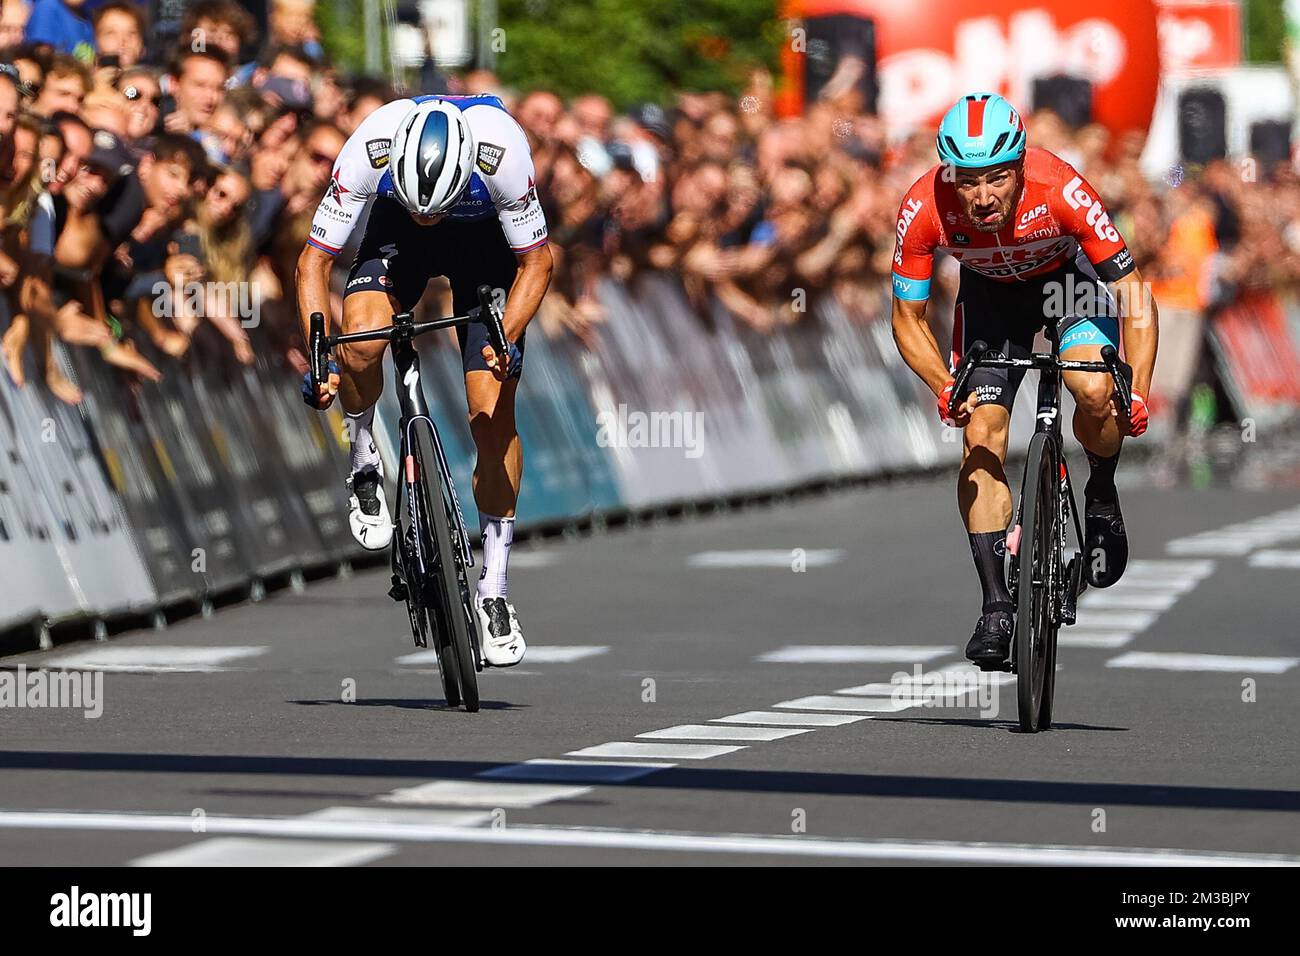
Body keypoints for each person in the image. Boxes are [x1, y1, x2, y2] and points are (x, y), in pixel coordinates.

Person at [889, 93, 1158, 668]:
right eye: (967, 182)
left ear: (1019, 167)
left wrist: (1135, 388)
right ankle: (995, 606)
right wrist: (944, 383)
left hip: (1068, 285)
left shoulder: (1060, 188)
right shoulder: (924, 205)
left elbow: (1135, 293)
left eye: (997, 180)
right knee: (980, 435)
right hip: (990, 302)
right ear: (947, 175)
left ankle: (1103, 492)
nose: (983, 198)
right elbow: (906, 317)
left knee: (1090, 388)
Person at [295, 95, 553, 667]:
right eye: (419, 207)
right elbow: (314, 260)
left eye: (434, 209)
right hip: (395, 243)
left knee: (491, 413)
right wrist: (319, 357)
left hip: (484, 247)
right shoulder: (372, 144)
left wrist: (503, 338)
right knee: (360, 343)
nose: (426, 218)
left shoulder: (501, 151)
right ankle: (364, 459)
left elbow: (537, 262)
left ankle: (495, 590)